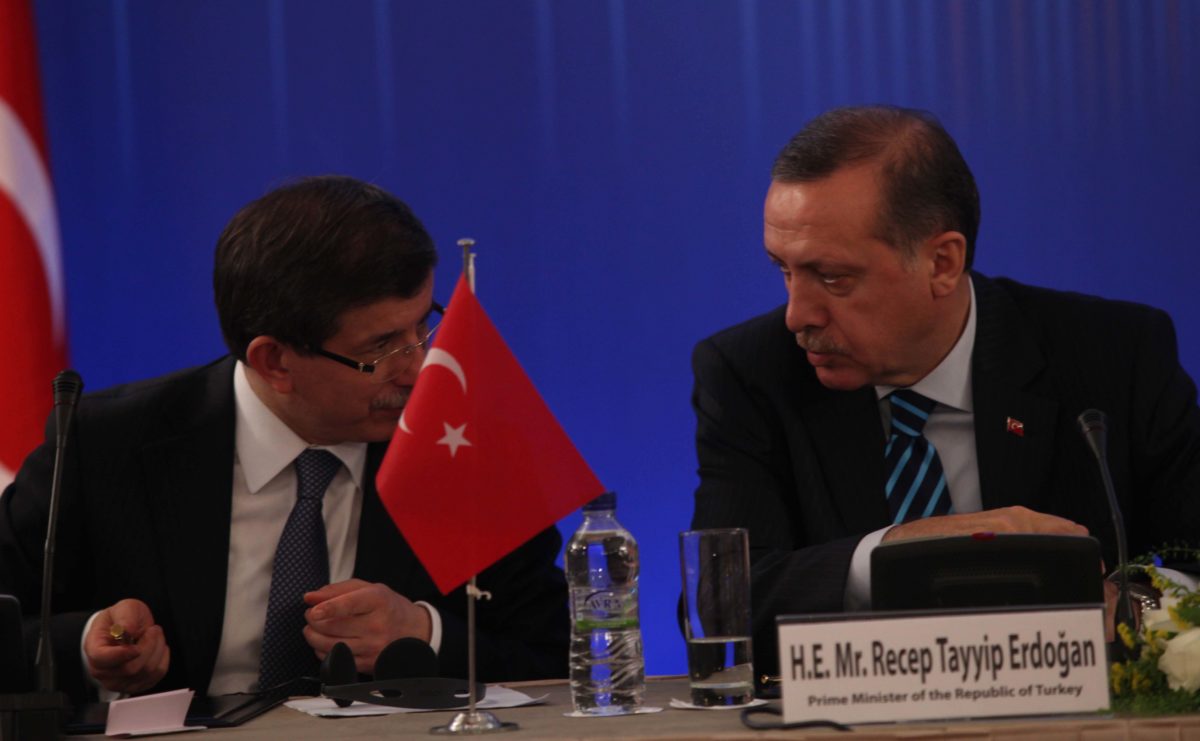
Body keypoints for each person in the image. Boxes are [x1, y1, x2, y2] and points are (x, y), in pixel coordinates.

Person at [0, 176, 569, 702]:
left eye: (423, 326)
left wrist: (424, 633)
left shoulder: (465, 447)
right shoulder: (110, 444)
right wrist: (86, 646)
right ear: (274, 361)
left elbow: (560, 659)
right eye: (381, 347)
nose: (419, 368)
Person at [689, 105, 1200, 675]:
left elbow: (1192, 552)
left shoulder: (1114, 355)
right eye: (784, 270)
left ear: (941, 262)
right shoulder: (752, 373)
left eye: (833, 278)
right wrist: (902, 548)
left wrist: (1135, 607)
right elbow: (721, 601)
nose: (797, 314)